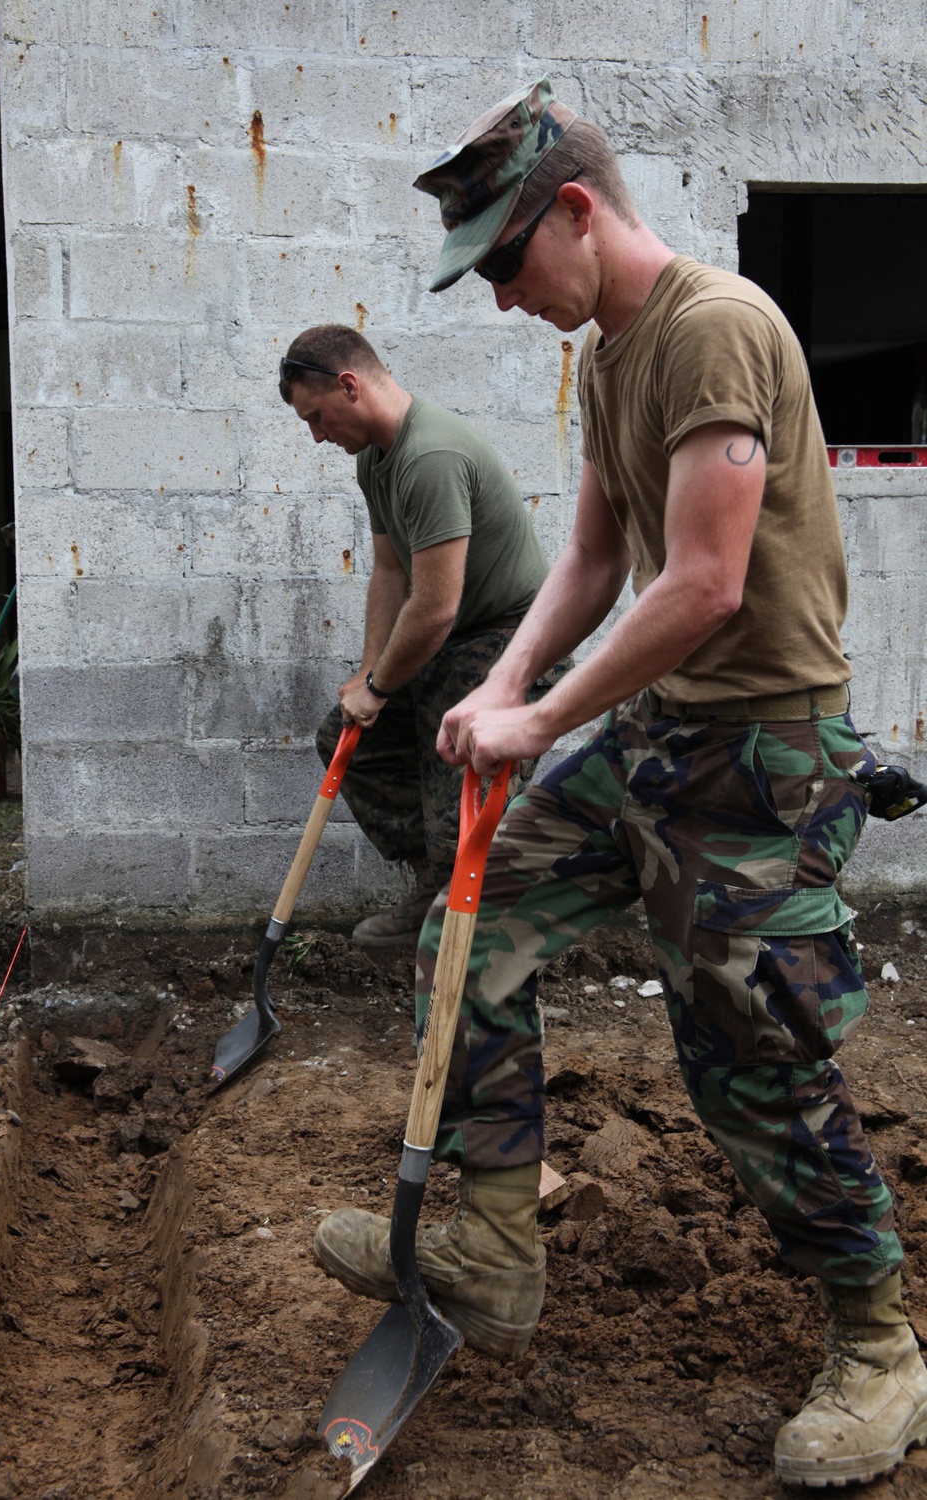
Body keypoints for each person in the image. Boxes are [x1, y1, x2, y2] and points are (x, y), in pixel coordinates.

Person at [313, 80, 927, 1486]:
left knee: (747, 1059)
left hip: (766, 758)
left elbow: (705, 585)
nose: (500, 298)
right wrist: (504, 686)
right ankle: (493, 1240)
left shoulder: (718, 329)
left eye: (508, 265)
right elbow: (594, 560)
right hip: (662, 735)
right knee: (477, 930)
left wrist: (539, 722)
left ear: (576, 214)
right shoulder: (609, 354)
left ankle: (881, 1344)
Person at [278, 325, 570, 946]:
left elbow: (436, 607)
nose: (317, 435)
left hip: (507, 640)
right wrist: (367, 674)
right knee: (347, 739)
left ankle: (486, 947)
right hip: (450, 640)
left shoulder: (429, 457)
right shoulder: (374, 459)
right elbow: (390, 570)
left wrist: (381, 686)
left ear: (349, 386)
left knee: (462, 812)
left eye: (317, 416)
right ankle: (435, 891)